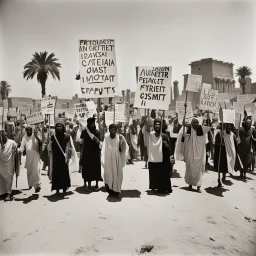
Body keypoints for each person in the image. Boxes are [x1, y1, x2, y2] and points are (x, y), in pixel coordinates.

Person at [183, 118, 211, 193]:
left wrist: (208, 151)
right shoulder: (190, 129)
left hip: (201, 153)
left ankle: (198, 186)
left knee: (200, 169)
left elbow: (206, 142)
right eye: (193, 122)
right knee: (190, 168)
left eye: (196, 122)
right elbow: (185, 138)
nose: (195, 124)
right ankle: (190, 184)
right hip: (191, 152)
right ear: (192, 124)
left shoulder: (203, 131)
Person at [101, 124, 128, 199]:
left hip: (117, 160)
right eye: (111, 129)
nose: (113, 131)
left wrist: (122, 143)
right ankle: (111, 191)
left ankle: (117, 191)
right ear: (109, 130)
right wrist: (103, 158)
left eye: (114, 129)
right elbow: (104, 147)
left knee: (117, 175)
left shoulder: (120, 137)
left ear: (116, 130)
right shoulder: (106, 137)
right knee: (109, 175)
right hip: (108, 160)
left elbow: (125, 148)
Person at [148, 118, 172, 194]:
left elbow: (169, 149)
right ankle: (153, 187)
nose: (157, 126)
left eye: (159, 124)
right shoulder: (151, 135)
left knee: (162, 173)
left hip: (163, 158)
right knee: (153, 173)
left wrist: (166, 145)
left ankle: (163, 187)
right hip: (154, 158)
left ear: (161, 126)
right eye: (156, 124)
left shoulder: (164, 136)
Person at [48, 118, 72, 195]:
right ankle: (57, 189)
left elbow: (69, 147)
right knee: (56, 173)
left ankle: (64, 188)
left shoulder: (67, 136)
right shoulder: (53, 136)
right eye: (57, 126)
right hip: (56, 158)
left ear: (63, 127)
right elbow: (50, 147)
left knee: (64, 173)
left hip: (64, 158)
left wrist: (68, 156)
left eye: (60, 126)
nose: (59, 127)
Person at [80, 117, 102, 190]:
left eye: (93, 123)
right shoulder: (84, 132)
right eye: (91, 123)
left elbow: (100, 141)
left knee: (95, 168)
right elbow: (82, 142)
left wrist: (97, 140)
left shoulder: (97, 132)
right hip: (87, 153)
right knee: (87, 168)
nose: (92, 124)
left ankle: (96, 184)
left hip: (95, 153)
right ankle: (88, 184)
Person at [18, 126, 42, 193]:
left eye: (30, 130)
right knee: (30, 172)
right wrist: (19, 151)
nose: (29, 132)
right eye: (27, 130)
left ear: (32, 131)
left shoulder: (35, 135)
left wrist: (36, 136)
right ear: (26, 131)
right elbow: (22, 147)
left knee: (36, 170)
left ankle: (37, 186)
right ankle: (31, 184)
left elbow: (41, 142)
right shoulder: (24, 137)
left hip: (36, 156)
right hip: (29, 157)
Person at [0, 130, 19, 201]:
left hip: (9, 163)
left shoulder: (11, 142)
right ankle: (2, 192)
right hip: (1, 163)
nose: (2, 137)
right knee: (1, 178)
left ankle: (8, 193)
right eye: (1, 136)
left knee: (8, 178)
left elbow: (17, 147)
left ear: (7, 136)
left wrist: (16, 150)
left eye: (4, 136)